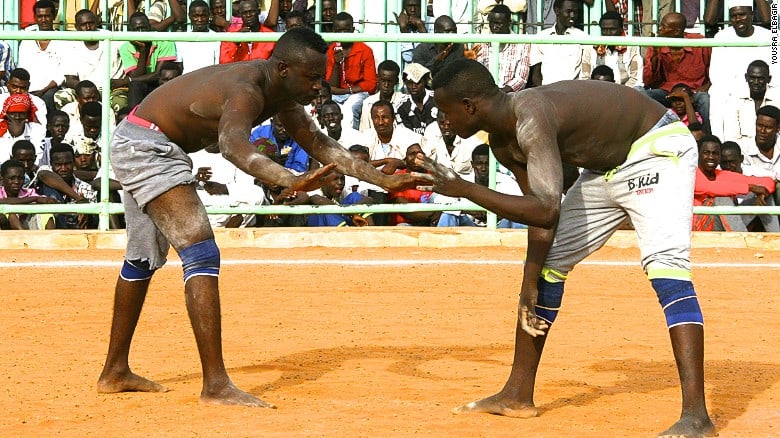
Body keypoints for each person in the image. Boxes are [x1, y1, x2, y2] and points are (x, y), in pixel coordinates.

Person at [96, 27, 424, 407]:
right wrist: (291, 178)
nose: (319, 86)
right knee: (200, 251)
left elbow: (319, 143)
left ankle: (114, 371)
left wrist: (384, 179)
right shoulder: (248, 88)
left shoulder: (281, 90)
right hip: (147, 146)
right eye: (313, 77)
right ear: (284, 68)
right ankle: (215, 385)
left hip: (143, 139)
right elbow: (232, 145)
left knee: (142, 258)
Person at [416, 59, 715, 437]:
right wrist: (529, 282)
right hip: (604, 169)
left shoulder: (531, 115)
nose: (443, 120)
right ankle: (517, 394)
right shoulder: (501, 143)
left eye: (446, 111)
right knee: (547, 269)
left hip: (655, 147)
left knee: (665, 267)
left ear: (470, 105)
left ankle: (697, 416)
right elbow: (541, 216)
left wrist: (465, 189)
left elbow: (546, 206)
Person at [642, 12, 711, 134]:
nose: (659, 29)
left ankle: (706, 135)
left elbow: (713, 71)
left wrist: (704, 88)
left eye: (664, 27)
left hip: (694, 91)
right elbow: (648, 81)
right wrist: (654, 54)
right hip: (668, 92)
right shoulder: (657, 44)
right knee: (641, 94)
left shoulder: (699, 42)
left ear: (676, 31)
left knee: (705, 99)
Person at [693, 135, 777, 231]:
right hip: (700, 228)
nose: (711, 157)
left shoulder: (723, 174)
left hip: (724, 225)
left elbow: (768, 181)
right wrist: (750, 187)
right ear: (698, 154)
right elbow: (711, 187)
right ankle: (743, 241)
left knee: (765, 193)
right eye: (706, 153)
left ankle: (777, 240)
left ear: (719, 156)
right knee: (721, 199)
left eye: (715, 153)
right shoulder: (692, 175)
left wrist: (762, 192)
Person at [325, 12, 377, 130]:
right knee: (327, 106)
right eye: (339, 31)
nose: (343, 34)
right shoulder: (331, 50)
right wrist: (337, 65)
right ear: (334, 31)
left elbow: (371, 84)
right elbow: (330, 86)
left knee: (350, 107)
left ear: (353, 29)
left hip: (357, 93)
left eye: (346, 30)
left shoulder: (365, 50)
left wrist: (346, 91)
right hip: (338, 94)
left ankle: (351, 142)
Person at [120, 12, 178, 109]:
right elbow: (137, 77)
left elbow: (159, 75)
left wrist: (128, 80)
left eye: (144, 28)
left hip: (160, 85)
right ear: (130, 30)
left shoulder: (165, 41)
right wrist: (144, 50)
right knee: (135, 86)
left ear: (150, 26)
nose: (141, 32)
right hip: (141, 86)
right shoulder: (125, 47)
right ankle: (133, 121)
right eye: (137, 29)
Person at [473, 4, 531, 92]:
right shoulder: (482, 43)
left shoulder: (522, 44)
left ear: (509, 23)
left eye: (498, 23)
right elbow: (477, 75)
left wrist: (500, 93)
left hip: (511, 97)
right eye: (491, 22)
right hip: (486, 95)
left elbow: (521, 79)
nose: (494, 27)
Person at [528, 0, 587, 86]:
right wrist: (544, 93)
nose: (572, 15)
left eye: (575, 12)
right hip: (546, 93)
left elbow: (586, 74)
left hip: (572, 94)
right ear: (557, 11)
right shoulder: (541, 37)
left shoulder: (583, 38)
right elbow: (536, 75)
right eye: (569, 11)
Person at [721, 60, 779, 143]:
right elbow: (732, 137)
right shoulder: (734, 100)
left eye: (761, 79)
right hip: (743, 152)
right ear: (746, 77)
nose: (756, 82)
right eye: (752, 78)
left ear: (769, 79)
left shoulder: (777, 99)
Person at [580, 11, 643, 89]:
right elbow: (585, 78)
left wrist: (618, 93)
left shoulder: (631, 46)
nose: (608, 33)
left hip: (625, 92)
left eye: (612, 29)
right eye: (604, 30)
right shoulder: (591, 47)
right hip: (596, 92)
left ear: (621, 29)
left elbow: (636, 78)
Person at [359, 60, 405, 132]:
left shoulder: (404, 101)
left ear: (396, 81)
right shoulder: (368, 103)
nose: (386, 85)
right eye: (383, 81)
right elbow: (364, 131)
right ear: (377, 79)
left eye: (390, 81)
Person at [177, 0, 221, 74]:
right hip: (187, 82)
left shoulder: (216, 38)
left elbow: (217, 66)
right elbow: (179, 66)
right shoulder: (182, 39)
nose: (199, 20)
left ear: (209, 15)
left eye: (203, 16)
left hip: (208, 81)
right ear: (189, 16)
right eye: (196, 16)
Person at [395, 63, 437, 136]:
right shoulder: (401, 107)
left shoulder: (437, 99)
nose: (413, 86)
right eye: (409, 83)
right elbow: (404, 133)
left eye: (417, 83)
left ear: (424, 82)